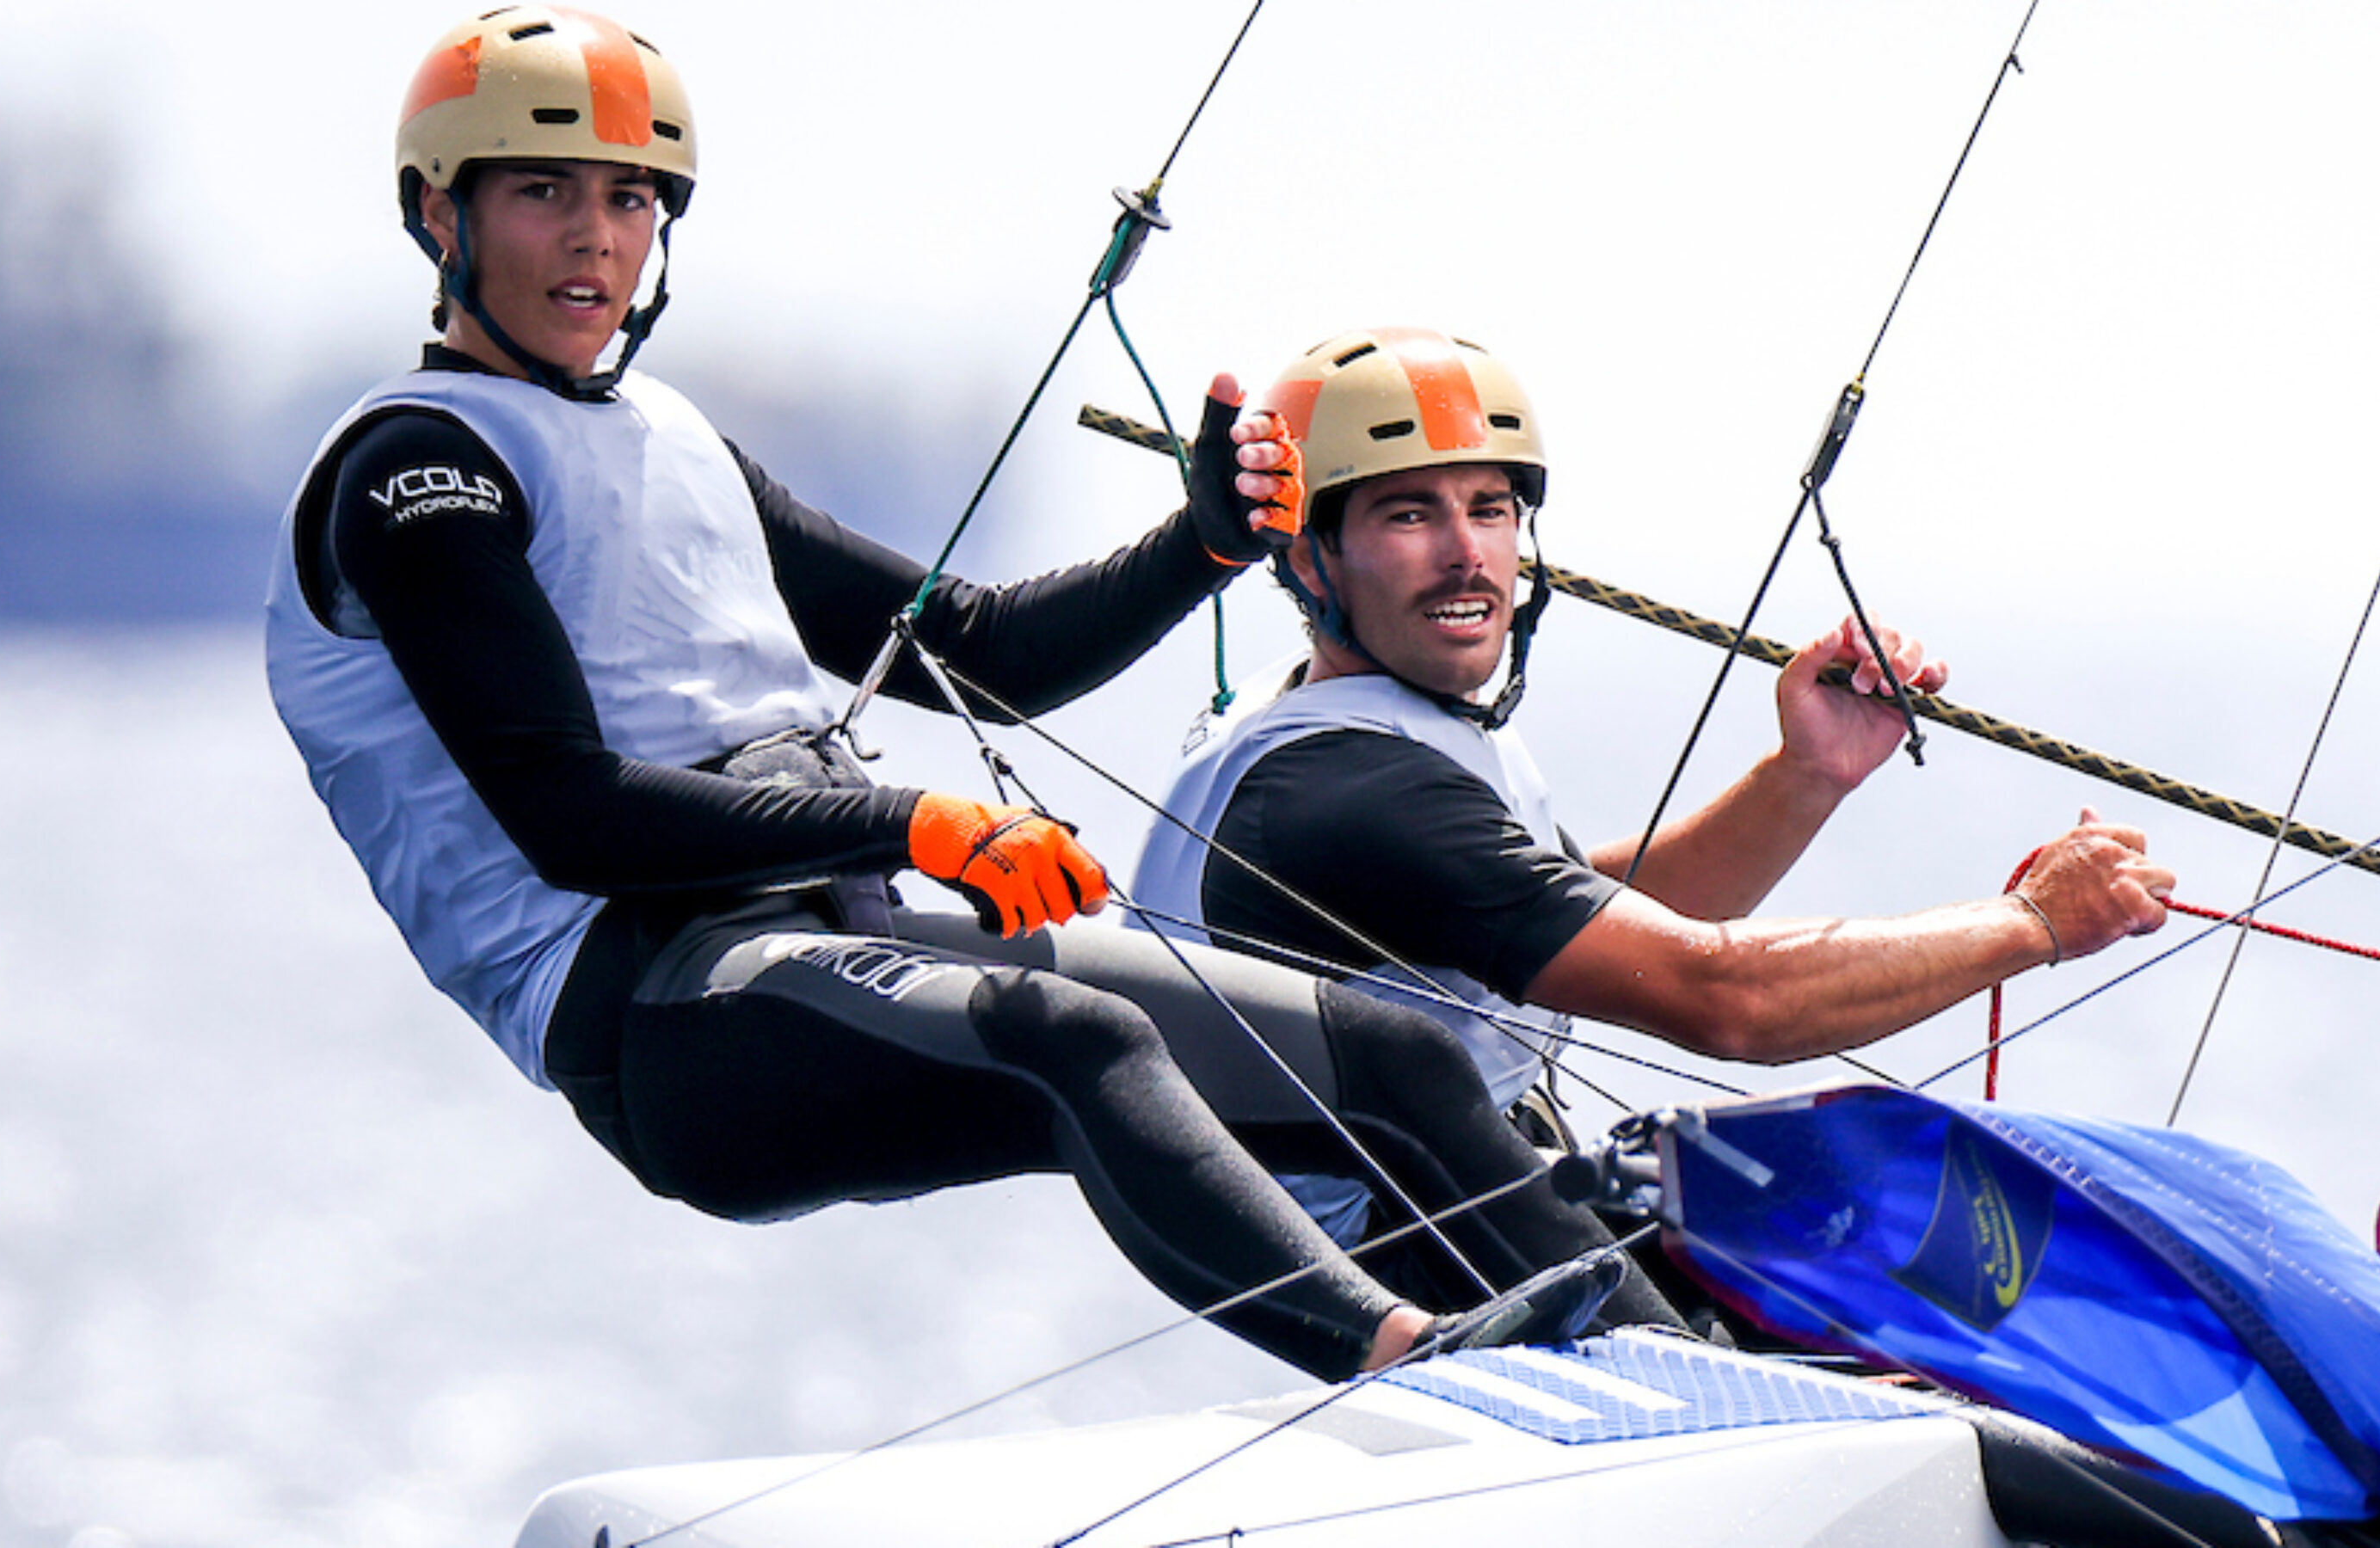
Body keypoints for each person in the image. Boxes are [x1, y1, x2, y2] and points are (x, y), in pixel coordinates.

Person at [263, 9, 1660, 1380]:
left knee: (1389, 1057)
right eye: (541, 193)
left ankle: (1673, 1369)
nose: (594, 237)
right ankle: (1399, 1353)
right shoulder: (413, 473)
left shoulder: (672, 441)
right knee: (1078, 1035)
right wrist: (916, 826)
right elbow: (570, 819)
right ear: (440, 215)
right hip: (669, 1015)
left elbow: (980, 650)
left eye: (631, 196)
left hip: (841, 932)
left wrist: (1202, 548)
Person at [1134, 326, 2180, 1169]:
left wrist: (1805, 775)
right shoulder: (1359, 792)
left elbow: (1578, 914)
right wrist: (2034, 922)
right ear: (1310, 562)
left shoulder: (1333, 724)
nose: (1466, 553)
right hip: (1412, 1270)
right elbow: (1728, 1000)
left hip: (1453, 1209)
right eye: (1410, 515)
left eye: (1491, 510)